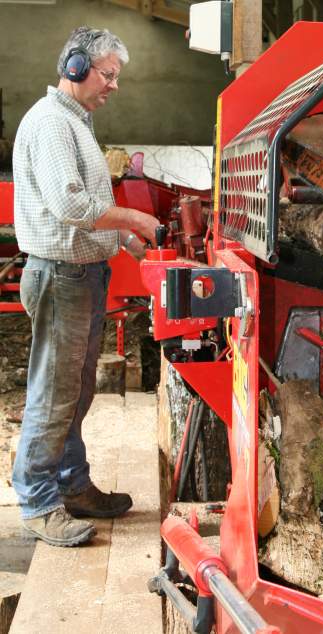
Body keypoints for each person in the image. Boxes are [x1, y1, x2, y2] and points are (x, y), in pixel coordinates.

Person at [11, 26, 160, 547]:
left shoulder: (75, 123)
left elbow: (82, 212)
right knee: (54, 394)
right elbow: (70, 207)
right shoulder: (53, 124)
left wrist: (120, 237)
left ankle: (72, 485)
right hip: (62, 276)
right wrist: (134, 220)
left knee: (75, 390)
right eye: (108, 74)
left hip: (81, 273)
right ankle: (37, 500)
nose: (114, 86)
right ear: (75, 66)